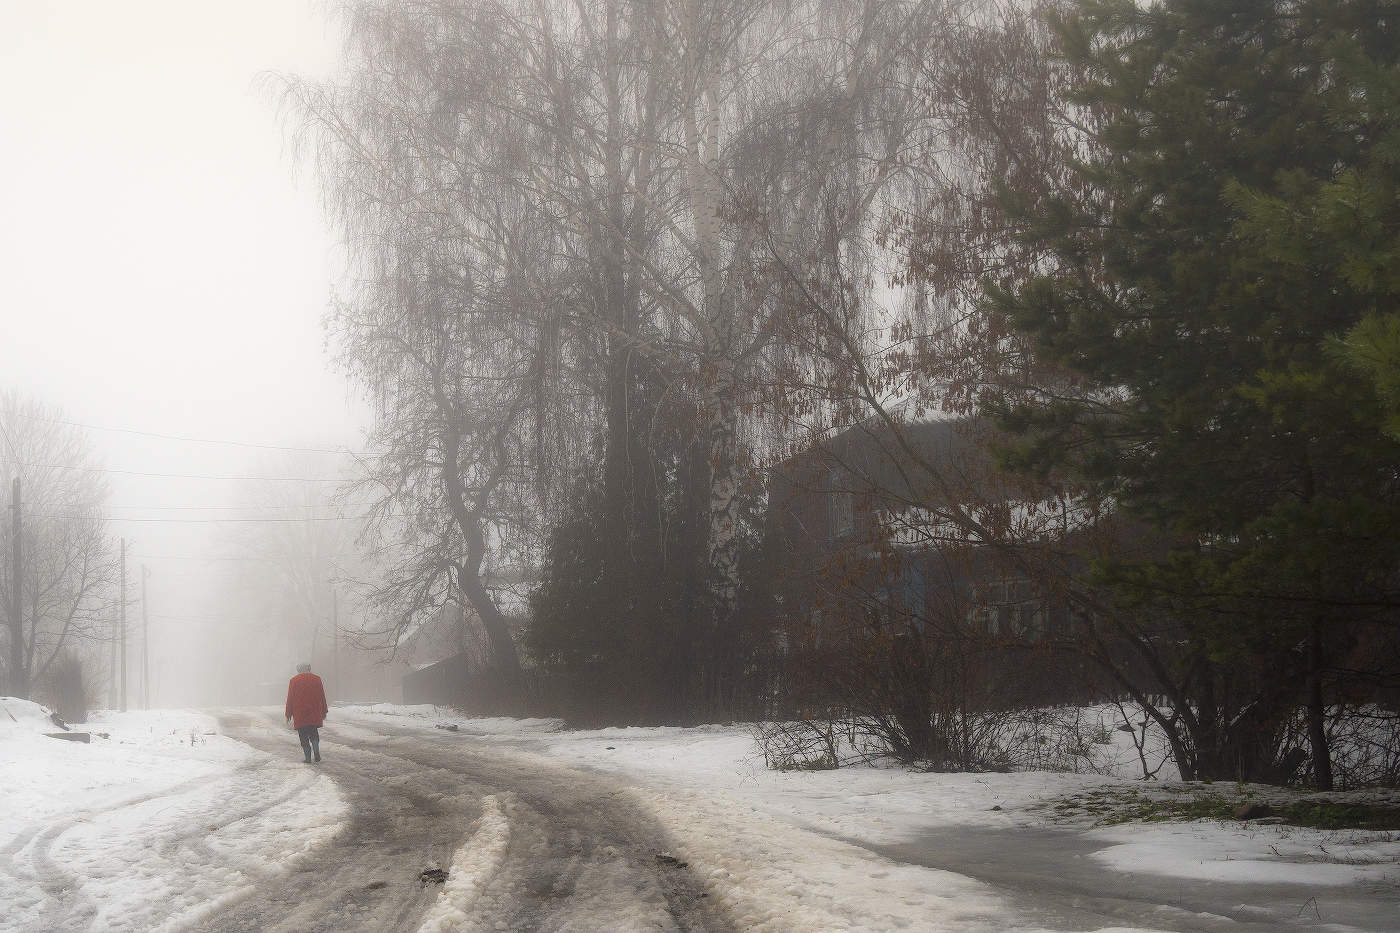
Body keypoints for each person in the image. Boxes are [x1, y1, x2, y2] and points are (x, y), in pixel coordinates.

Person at [285, 662, 328, 764]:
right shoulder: (317, 679)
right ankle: (316, 751)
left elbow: (290, 698)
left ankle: (308, 758)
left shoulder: (294, 681)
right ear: (309, 668)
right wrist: (324, 710)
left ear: (299, 670)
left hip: (300, 713)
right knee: (313, 733)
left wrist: (288, 714)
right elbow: (322, 695)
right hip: (314, 711)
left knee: (303, 736)